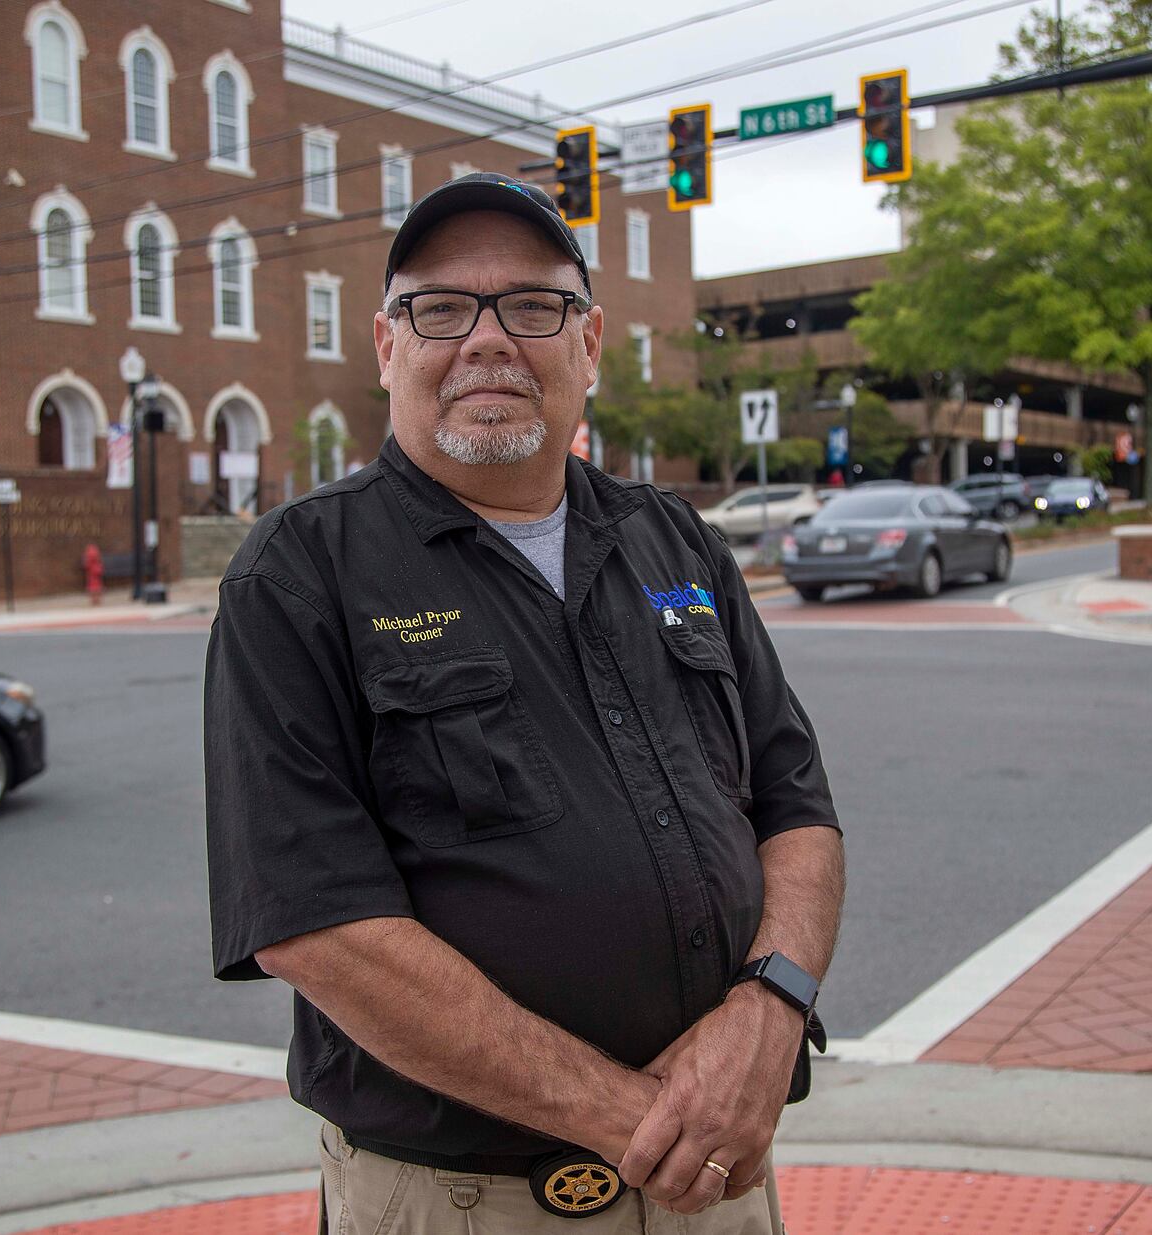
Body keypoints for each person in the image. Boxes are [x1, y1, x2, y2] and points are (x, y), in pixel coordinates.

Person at [205, 172, 845, 1234]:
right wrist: (633, 1114)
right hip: (467, 1202)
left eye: (531, 307)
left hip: (720, 1181)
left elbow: (796, 806)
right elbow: (315, 921)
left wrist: (770, 1008)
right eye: (440, 308)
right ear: (386, 346)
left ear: (588, 344)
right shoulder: (297, 575)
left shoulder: (674, 540)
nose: (487, 339)